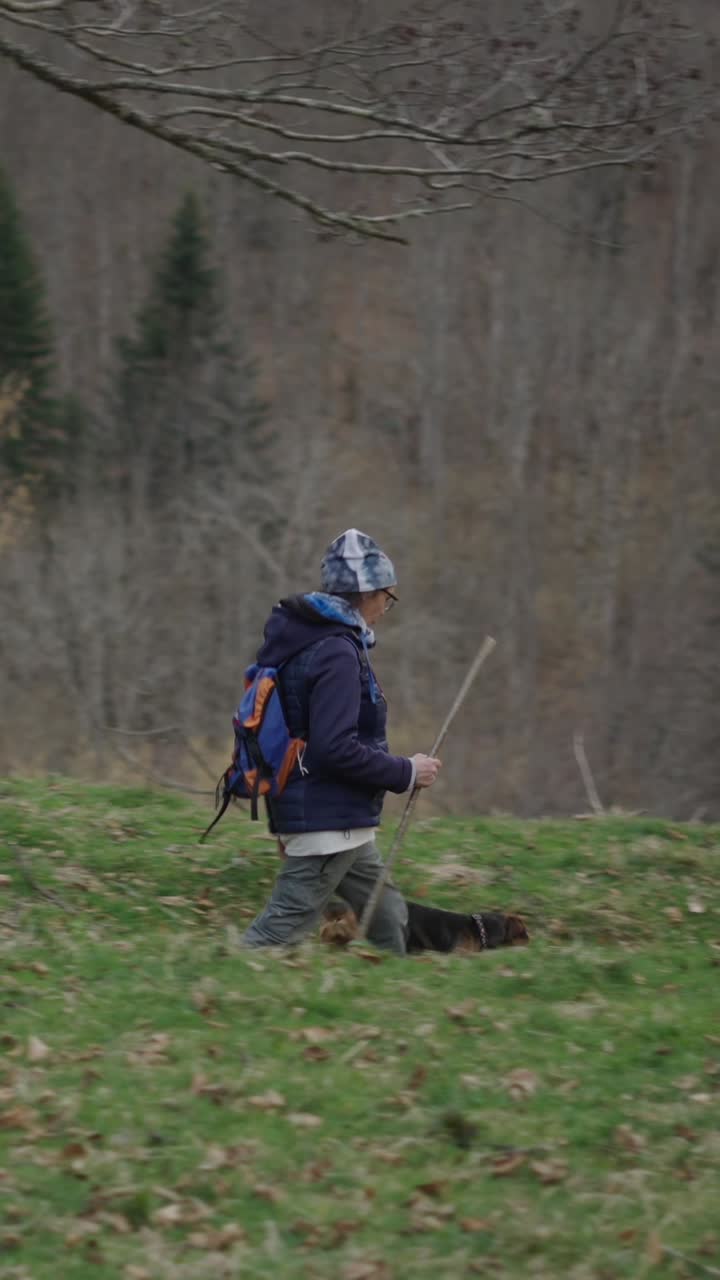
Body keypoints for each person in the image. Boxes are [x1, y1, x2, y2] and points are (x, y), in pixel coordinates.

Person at [242, 528, 441, 954]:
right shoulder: (335, 650)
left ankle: (392, 998)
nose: (386, 606)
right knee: (274, 937)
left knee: (387, 917)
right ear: (365, 592)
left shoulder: (307, 639)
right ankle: (218, 989)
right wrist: (407, 771)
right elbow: (333, 749)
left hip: (339, 819)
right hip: (327, 822)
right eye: (386, 595)